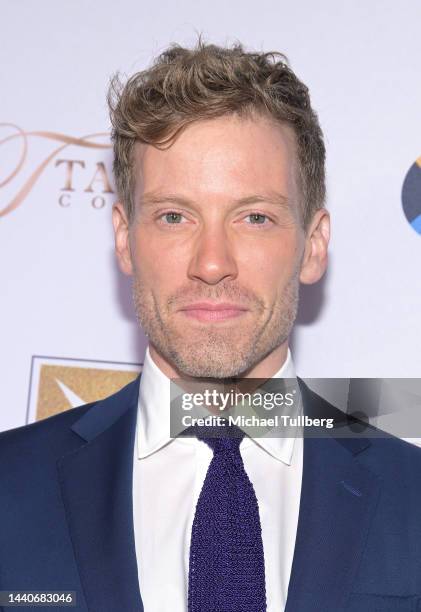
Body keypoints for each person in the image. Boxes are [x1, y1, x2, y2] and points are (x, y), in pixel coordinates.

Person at [1, 40, 421, 612]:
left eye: (255, 217)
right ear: (125, 238)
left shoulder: (413, 498)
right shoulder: (9, 488)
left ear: (313, 245)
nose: (212, 262)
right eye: (175, 217)